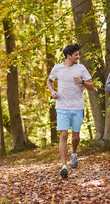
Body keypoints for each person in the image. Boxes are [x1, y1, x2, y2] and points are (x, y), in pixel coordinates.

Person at [47, 44, 94, 178]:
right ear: (68, 56)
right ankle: (64, 166)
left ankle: (74, 153)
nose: (78, 57)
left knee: (76, 137)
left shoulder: (81, 68)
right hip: (61, 106)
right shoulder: (58, 68)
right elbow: (49, 81)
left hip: (77, 107)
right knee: (63, 135)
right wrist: (52, 91)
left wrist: (82, 81)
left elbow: (91, 86)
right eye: (76, 55)